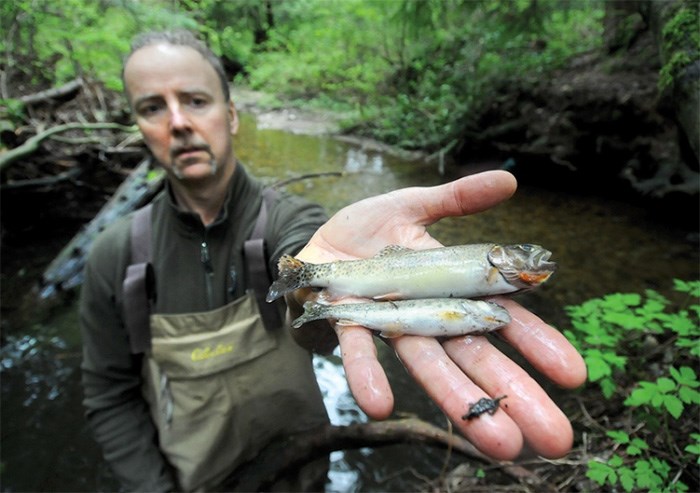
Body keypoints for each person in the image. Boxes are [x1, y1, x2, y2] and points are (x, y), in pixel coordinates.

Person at [80, 30, 586, 493]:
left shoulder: (292, 218)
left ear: (231, 114)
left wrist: (306, 287)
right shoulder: (113, 257)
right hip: (192, 480)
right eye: (152, 107)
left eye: (195, 100)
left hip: (306, 469)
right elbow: (109, 395)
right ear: (138, 125)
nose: (178, 122)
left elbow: (303, 273)